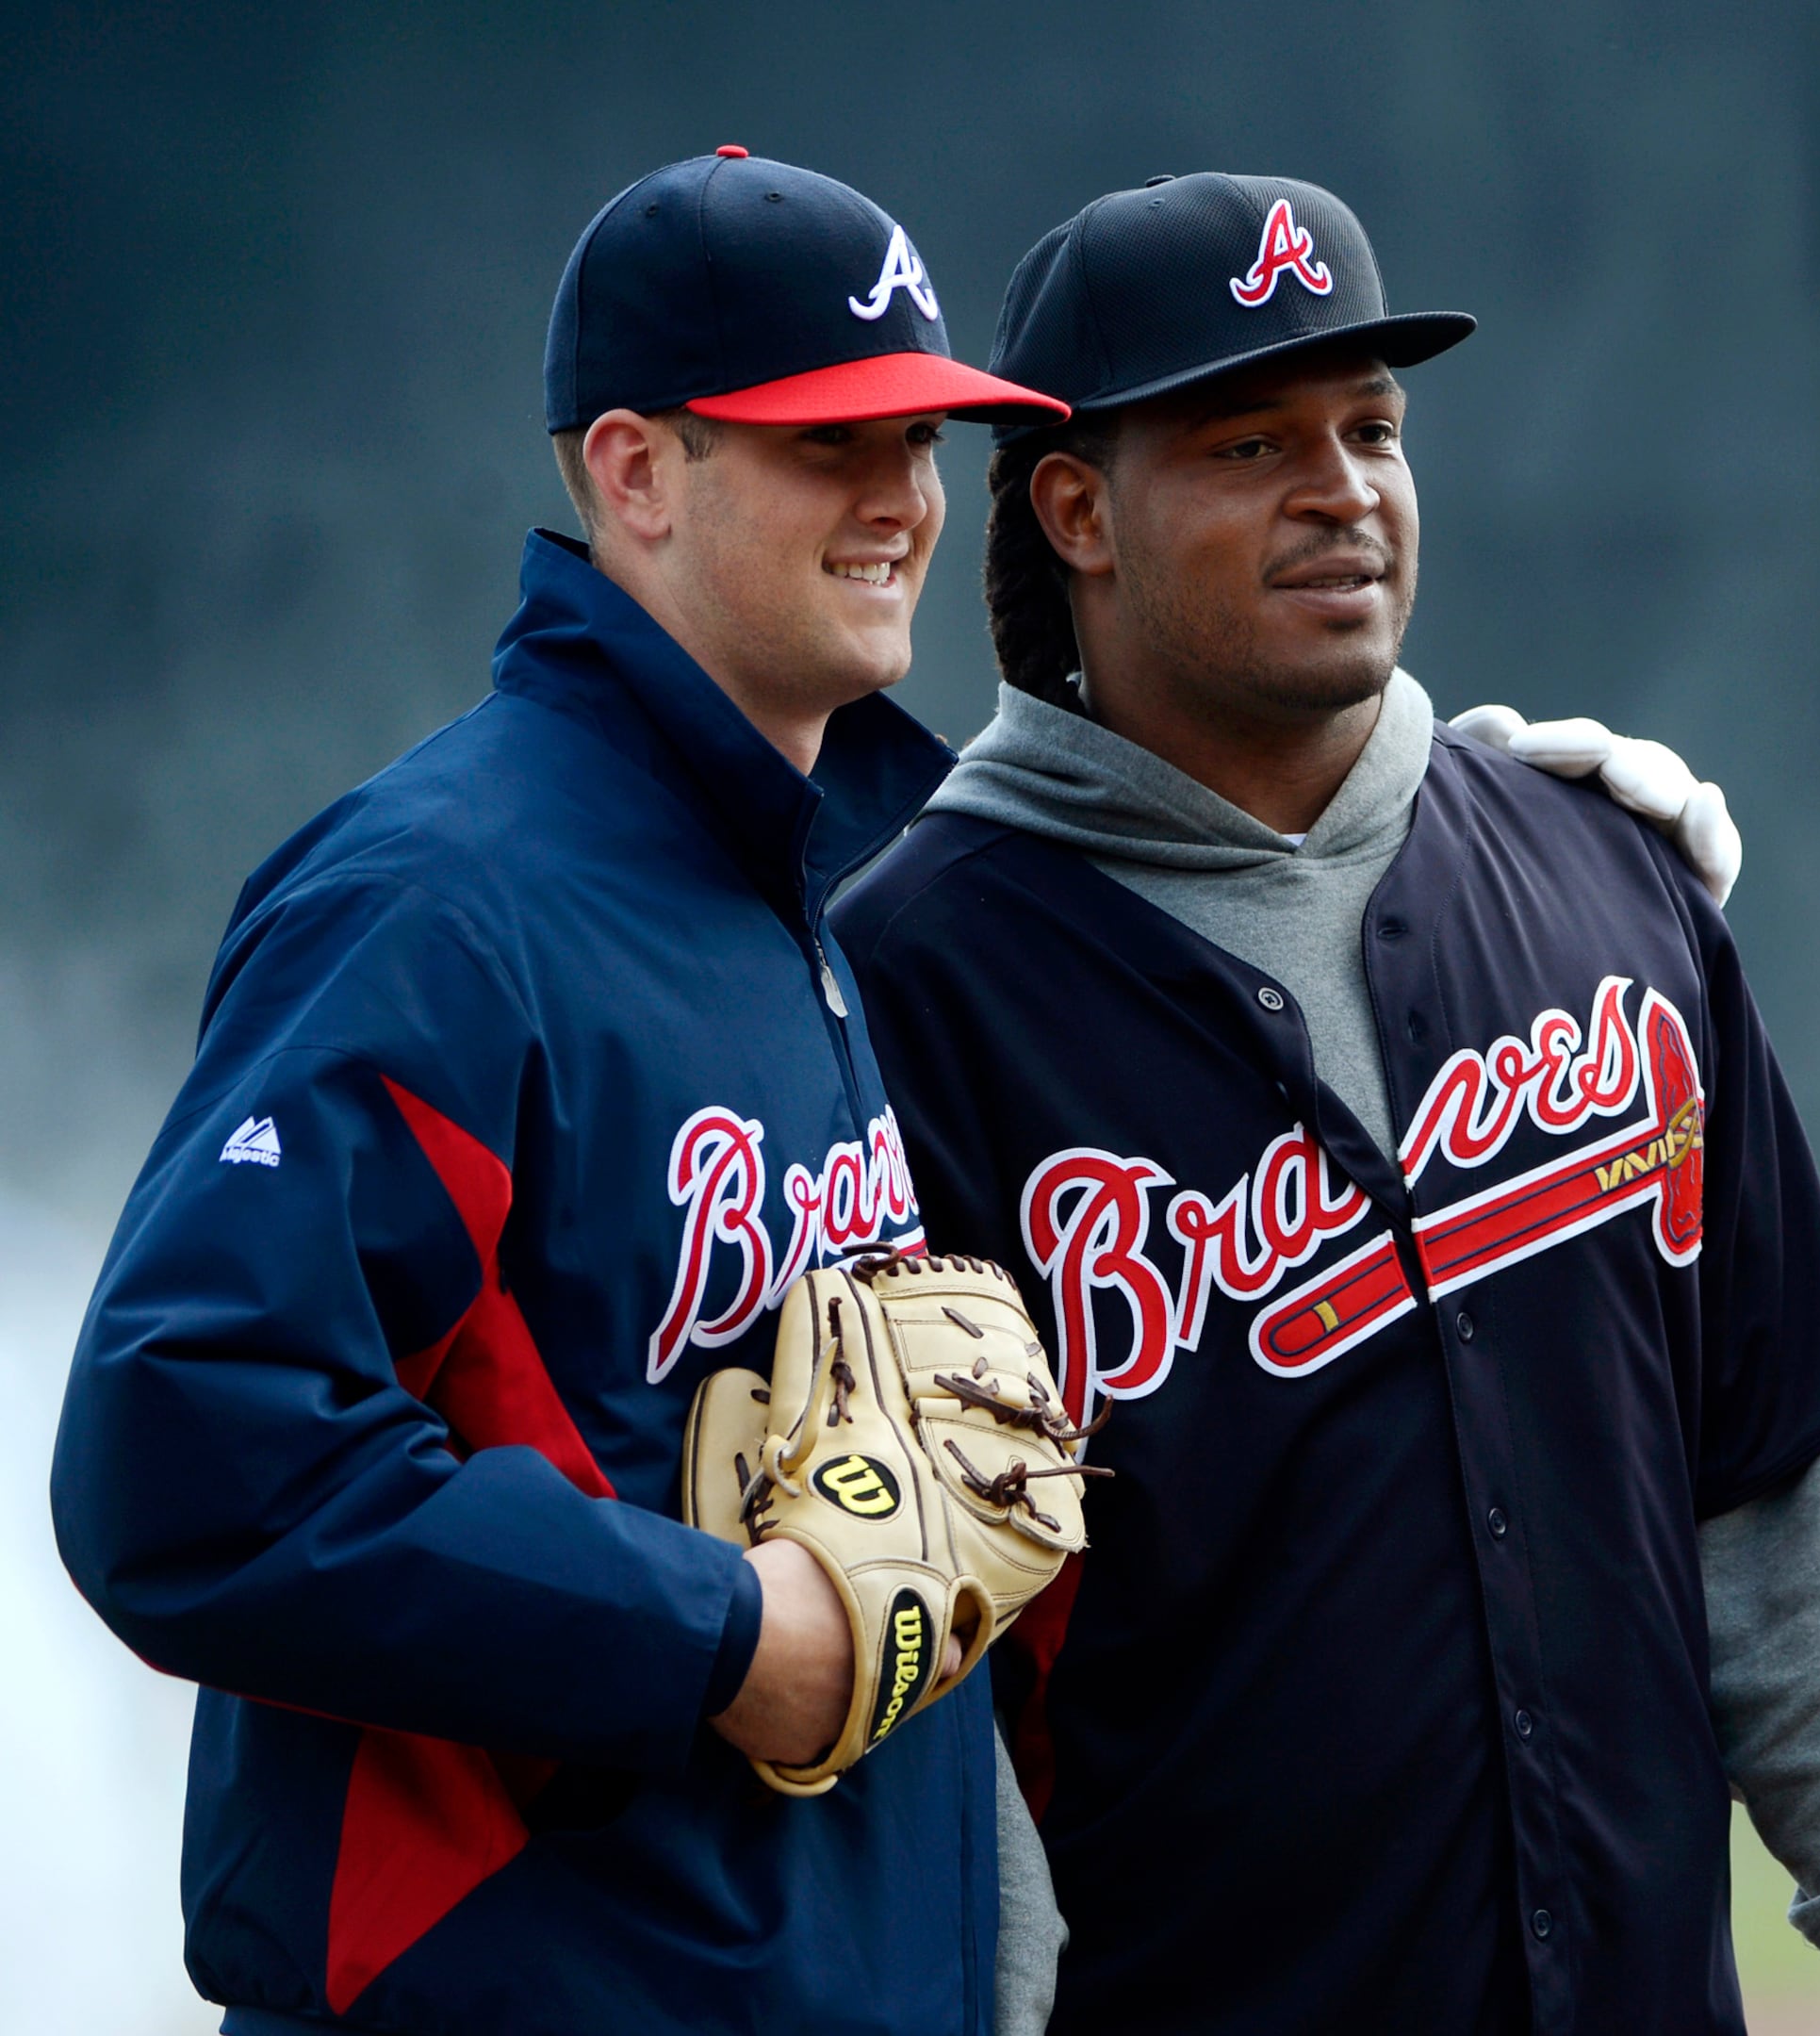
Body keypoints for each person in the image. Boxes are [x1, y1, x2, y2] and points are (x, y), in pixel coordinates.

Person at [834, 172, 1820, 2036]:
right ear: (1076, 510)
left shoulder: (1607, 880)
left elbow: (1774, 1478)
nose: (1345, 489)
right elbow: (934, 1671)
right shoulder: (908, 986)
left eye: (1373, 428)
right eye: (1251, 440)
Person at [48, 149, 1075, 2034]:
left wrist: (1488, 808)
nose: (900, 502)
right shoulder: (443, 899)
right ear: (631, 471)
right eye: (826, 443)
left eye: (923, 442)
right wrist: (718, 1635)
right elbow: (182, 1452)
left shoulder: (840, 881)